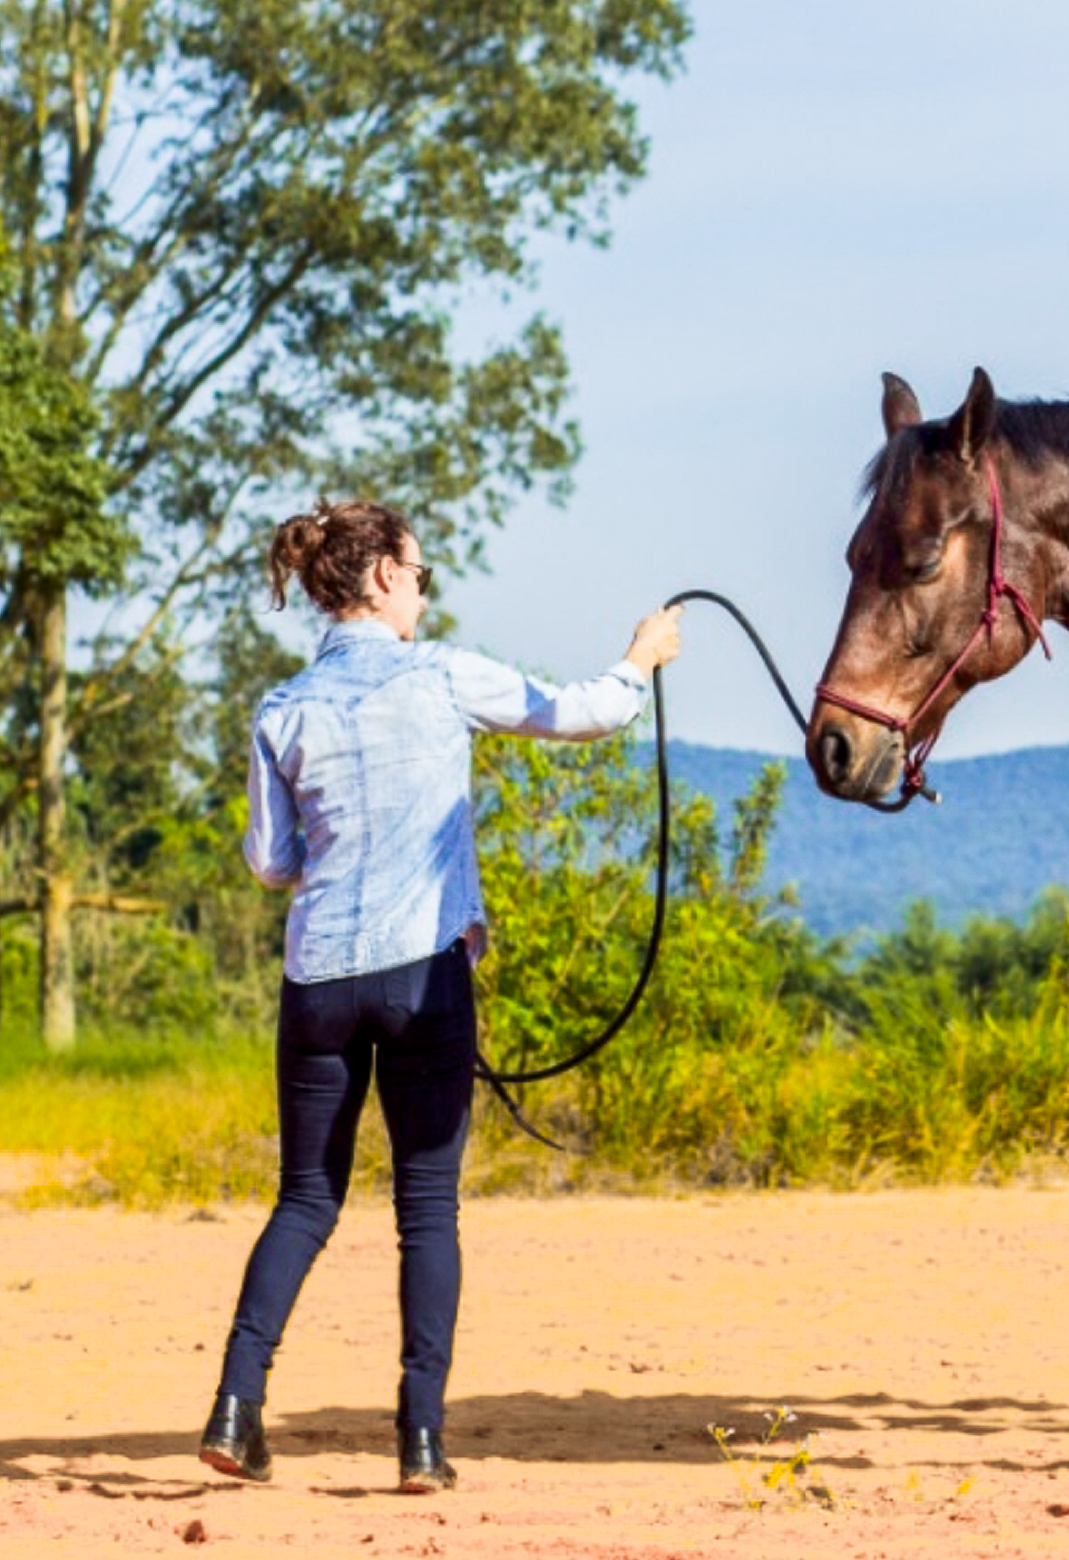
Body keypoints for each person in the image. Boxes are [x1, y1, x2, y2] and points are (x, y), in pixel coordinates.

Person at [200, 497, 683, 1493]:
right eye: (420, 574)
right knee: (426, 1210)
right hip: (424, 975)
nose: (425, 591)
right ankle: (420, 1442)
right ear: (381, 578)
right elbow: (582, 713)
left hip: (319, 981)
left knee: (305, 1200)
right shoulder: (442, 674)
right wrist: (643, 658)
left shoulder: (280, 710)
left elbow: (268, 862)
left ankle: (236, 1406)